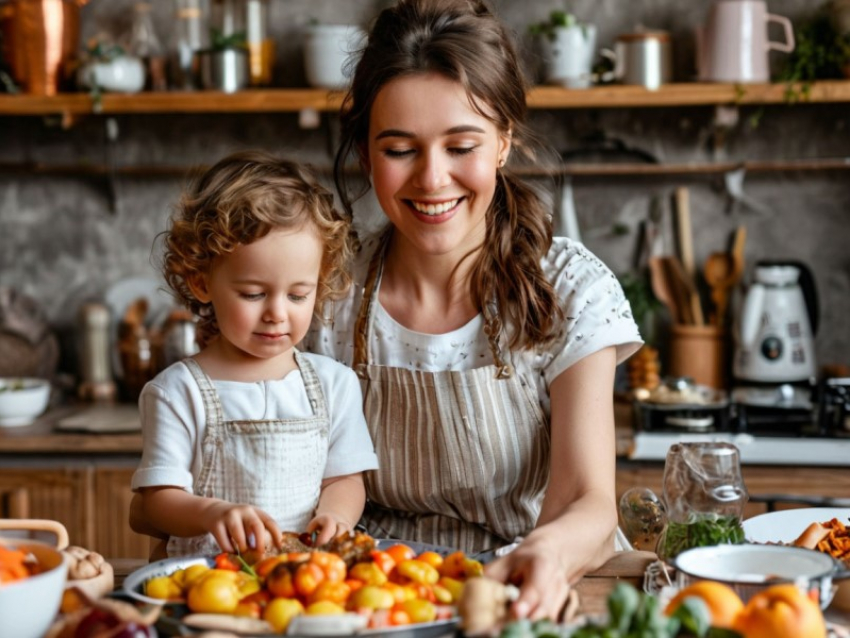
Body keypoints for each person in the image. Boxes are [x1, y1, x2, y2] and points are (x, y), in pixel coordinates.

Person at [304, 0, 642, 620]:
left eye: (461, 145)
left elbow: (588, 503)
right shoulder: (326, 294)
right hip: (379, 598)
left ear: (505, 142)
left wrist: (541, 556)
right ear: (364, 152)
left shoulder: (567, 287)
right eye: (400, 149)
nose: (433, 179)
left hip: (533, 586)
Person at [129, 151, 378, 558]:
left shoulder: (335, 384)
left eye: (299, 294)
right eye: (253, 294)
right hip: (206, 585)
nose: (277, 313)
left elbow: (345, 481)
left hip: (303, 582)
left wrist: (337, 518)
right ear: (201, 281)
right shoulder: (176, 392)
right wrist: (212, 513)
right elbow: (157, 501)